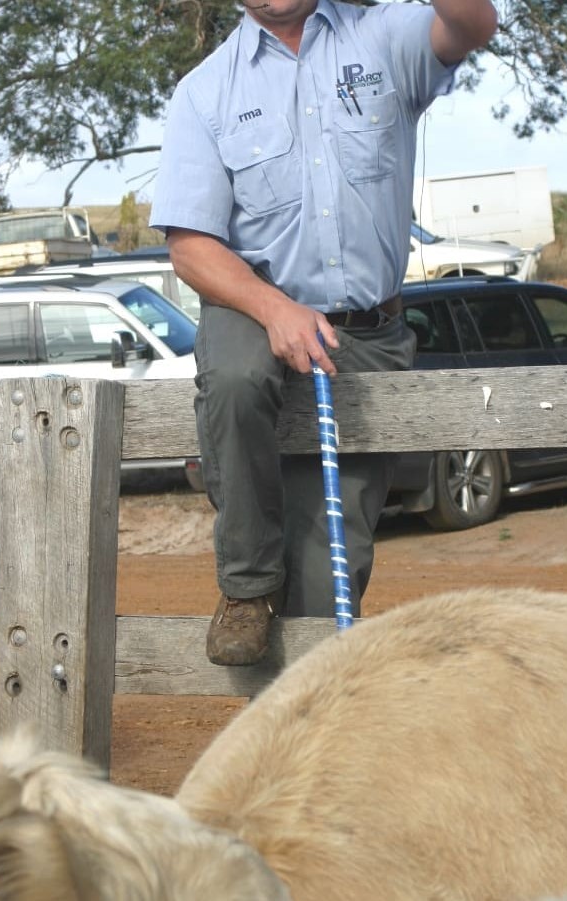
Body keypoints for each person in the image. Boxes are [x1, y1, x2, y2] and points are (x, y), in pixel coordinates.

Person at [150, 0, 497, 666]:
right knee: (233, 377)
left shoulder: (386, 35)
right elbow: (191, 246)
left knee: (326, 579)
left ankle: (301, 741)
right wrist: (274, 308)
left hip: (361, 335)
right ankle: (245, 584)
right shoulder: (205, 90)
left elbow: (472, 24)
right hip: (251, 307)